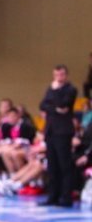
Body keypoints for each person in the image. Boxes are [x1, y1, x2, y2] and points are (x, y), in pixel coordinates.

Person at [38, 64, 78, 207]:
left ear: (66, 75)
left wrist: (55, 94)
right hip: (50, 131)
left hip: (63, 131)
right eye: (56, 75)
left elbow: (63, 104)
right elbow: (42, 105)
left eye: (61, 75)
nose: (58, 78)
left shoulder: (70, 89)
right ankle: (52, 197)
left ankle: (66, 198)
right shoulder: (50, 88)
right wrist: (55, 108)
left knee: (64, 165)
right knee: (52, 165)